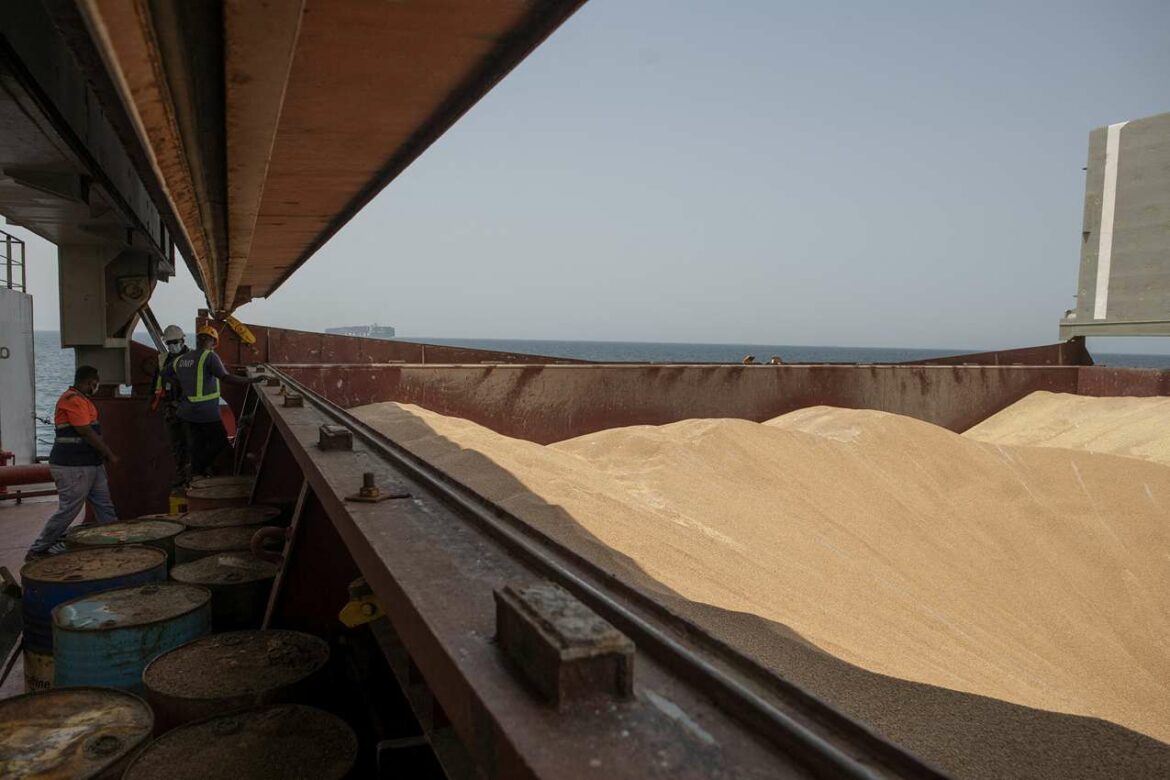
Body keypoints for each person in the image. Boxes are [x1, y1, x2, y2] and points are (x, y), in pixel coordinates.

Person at [26, 366, 119, 560]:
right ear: (88, 382)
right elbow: (85, 431)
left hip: (91, 464)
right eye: (95, 384)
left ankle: (115, 541)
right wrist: (109, 453)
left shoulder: (83, 400)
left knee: (104, 505)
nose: (96, 387)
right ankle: (38, 548)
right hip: (72, 465)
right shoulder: (72, 400)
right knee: (69, 509)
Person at [169, 324, 264, 481]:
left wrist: (179, 385)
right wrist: (252, 380)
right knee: (219, 441)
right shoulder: (210, 356)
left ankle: (196, 472)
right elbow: (226, 377)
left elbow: (165, 373)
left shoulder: (183, 359)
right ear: (213, 343)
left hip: (186, 412)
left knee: (197, 444)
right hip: (205, 412)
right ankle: (196, 469)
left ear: (198, 340)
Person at [152, 324, 190, 489]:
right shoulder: (164, 360)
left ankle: (194, 476)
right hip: (171, 409)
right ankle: (182, 475)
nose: (172, 345)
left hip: (189, 409)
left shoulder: (192, 358)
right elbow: (156, 381)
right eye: (169, 343)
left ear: (182, 340)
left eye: (175, 342)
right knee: (177, 444)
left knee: (192, 443)